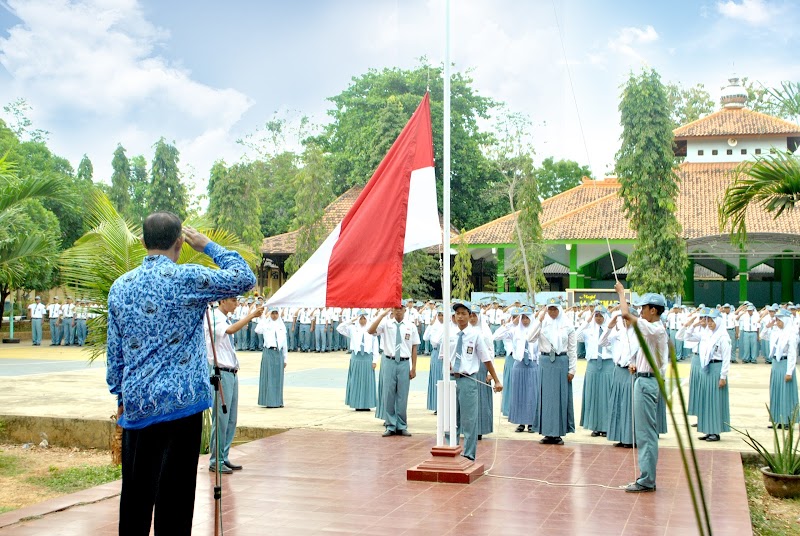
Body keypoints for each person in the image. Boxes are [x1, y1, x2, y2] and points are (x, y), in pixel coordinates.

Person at [106, 213, 255, 536]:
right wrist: (208, 246)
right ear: (179, 242)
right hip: (182, 407)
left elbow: (115, 354)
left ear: (144, 243)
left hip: (139, 407)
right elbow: (244, 278)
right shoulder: (187, 278)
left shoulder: (120, 287)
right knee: (175, 502)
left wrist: (121, 396)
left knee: (134, 500)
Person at [614, 281, 668, 493]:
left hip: (647, 384)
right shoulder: (653, 331)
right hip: (645, 379)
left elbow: (626, 315)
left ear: (653, 310)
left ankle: (647, 479)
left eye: (644, 308)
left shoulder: (655, 328)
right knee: (645, 432)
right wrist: (638, 365)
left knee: (646, 434)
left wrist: (621, 293)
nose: (642, 311)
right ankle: (646, 476)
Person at [204, 296, 262, 474]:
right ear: (222, 301)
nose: (236, 304)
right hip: (220, 372)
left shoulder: (224, 317)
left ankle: (224, 456)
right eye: (233, 300)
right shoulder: (214, 317)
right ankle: (215, 459)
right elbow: (230, 330)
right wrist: (251, 316)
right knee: (221, 419)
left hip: (231, 372)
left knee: (230, 418)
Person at [438, 301, 502, 460]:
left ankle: (468, 455)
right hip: (451, 380)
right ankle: (450, 450)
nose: (460, 316)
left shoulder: (476, 335)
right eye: (457, 313)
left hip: (468, 380)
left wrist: (496, 380)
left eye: (463, 313)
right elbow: (443, 357)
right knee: (450, 419)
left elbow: (486, 358)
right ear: (454, 316)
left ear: (470, 316)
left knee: (469, 420)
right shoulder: (448, 334)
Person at [527, 298, 577, 445]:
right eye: (550, 309)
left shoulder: (567, 325)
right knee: (546, 398)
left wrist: (572, 369)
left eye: (555, 309)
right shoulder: (542, 324)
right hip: (545, 362)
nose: (553, 312)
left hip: (561, 362)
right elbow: (530, 338)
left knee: (559, 398)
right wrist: (539, 320)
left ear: (560, 309)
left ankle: (558, 433)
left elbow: (572, 349)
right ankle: (547, 432)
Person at [368, 305, 418, 437]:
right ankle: (390, 425)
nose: (398, 311)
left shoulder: (411, 326)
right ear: (392, 310)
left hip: (404, 362)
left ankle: (401, 425)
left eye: (401, 308)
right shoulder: (386, 324)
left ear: (405, 310)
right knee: (388, 394)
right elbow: (370, 331)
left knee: (402, 395)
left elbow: (414, 348)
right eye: (396, 308)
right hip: (389, 361)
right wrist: (382, 315)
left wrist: (414, 367)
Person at [494, 305, 538, 433]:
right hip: (518, 365)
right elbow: (496, 336)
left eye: (527, 317)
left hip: (532, 364)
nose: (524, 320)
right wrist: (511, 323)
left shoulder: (536, 331)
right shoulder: (514, 331)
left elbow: (539, 349)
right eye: (522, 317)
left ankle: (531, 422)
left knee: (531, 394)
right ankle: (520, 422)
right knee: (519, 393)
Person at [601, 309, 639, 448]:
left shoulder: (639, 335)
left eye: (628, 318)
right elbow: (602, 342)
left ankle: (630, 438)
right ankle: (620, 436)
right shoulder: (619, 333)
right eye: (624, 319)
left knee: (629, 406)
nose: (626, 321)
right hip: (618, 370)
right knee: (618, 405)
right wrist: (610, 325)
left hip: (631, 371)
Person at [693, 309, 731, 442]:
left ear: (718, 321)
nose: (709, 323)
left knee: (714, 402)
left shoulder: (723, 337)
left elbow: (726, 359)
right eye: (708, 320)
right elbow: (686, 336)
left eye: (712, 320)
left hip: (716, 370)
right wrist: (694, 325)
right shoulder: (707, 335)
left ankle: (715, 432)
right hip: (707, 369)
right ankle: (708, 430)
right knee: (706, 401)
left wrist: (723, 377)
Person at [577, 305, 613, 437]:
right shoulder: (589, 330)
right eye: (596, 315)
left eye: (601, 315)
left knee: (607, 396)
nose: (598, 318)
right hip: (592, 365)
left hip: (608, 364)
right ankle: (595, 426)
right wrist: (588, 320)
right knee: (594, 395)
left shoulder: (611, 330)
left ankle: (607, 426)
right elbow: (577, 336)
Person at [337, 310, 379, 410]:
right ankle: (356, 404)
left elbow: (375, 345)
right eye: (361, 318)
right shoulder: (352, 328)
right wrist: (352, 320)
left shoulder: (371, 328)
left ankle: (367, 404)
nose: (362, 320)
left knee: (367, 381)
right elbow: (339, 328)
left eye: (364, 318)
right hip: (356, 357)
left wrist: (375, 360)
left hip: (367, 357)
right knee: (355, 380)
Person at [469, 303, 497, 439]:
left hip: (481, 368)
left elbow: (491, 353)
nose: (472, 318)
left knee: (481, 398)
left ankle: (480, 428)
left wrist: (490, 373)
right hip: (468, 368)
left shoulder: (485, 333)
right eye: (471, 315)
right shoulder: (465, 330)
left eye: (475, 316)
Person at [767, 309, 799, 428]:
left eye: (779, 320)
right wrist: (769, 325)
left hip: (785, 365)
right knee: (776, 392)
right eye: (776, 320)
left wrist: (789, 371)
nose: (777, 322)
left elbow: (792, 354)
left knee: (786, 393)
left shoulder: (791, 334)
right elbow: (764, 335)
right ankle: (778, 419)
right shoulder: (777, 331)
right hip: (776, 364)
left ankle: (787, 420)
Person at [255, 307, 288, 408]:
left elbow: (285, 344)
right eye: (272, 313)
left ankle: (278, 401)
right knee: (269, 377)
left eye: (276, 313)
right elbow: (257, 330)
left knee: (278, 377)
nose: (274, 315)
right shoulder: (266, 323)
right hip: (268, 352)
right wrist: (264, 317)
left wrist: (285, 358)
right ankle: (269, 401)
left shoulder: (281, 325)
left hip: (278, 353)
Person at [424, 307, 445, 413]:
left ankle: (445, 405)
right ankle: (437, 405)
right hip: (436, 352)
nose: (441, 317)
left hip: (446, 354)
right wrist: (430, 325)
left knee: (444, 378)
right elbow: (425, 337)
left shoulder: (450, 326)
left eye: (443, 315)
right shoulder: (434, 326)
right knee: (436, 378)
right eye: (439, 315)